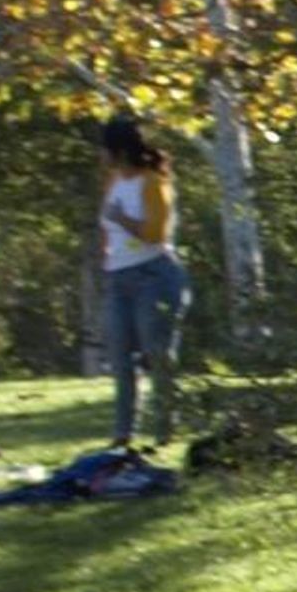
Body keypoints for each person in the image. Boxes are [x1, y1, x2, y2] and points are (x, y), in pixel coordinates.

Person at [94, 115, 190, 453]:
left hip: (154, 275)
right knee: (121, 358)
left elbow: (156, 233)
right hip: (119, 277)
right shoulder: (113, 181)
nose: (100, 156)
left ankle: (165, 429)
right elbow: (106, 226)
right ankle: (123, 435)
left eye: (104, 149)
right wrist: (107, 254)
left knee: (157, 353)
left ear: (119, 150)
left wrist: (122, 220)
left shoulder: (152, 182)